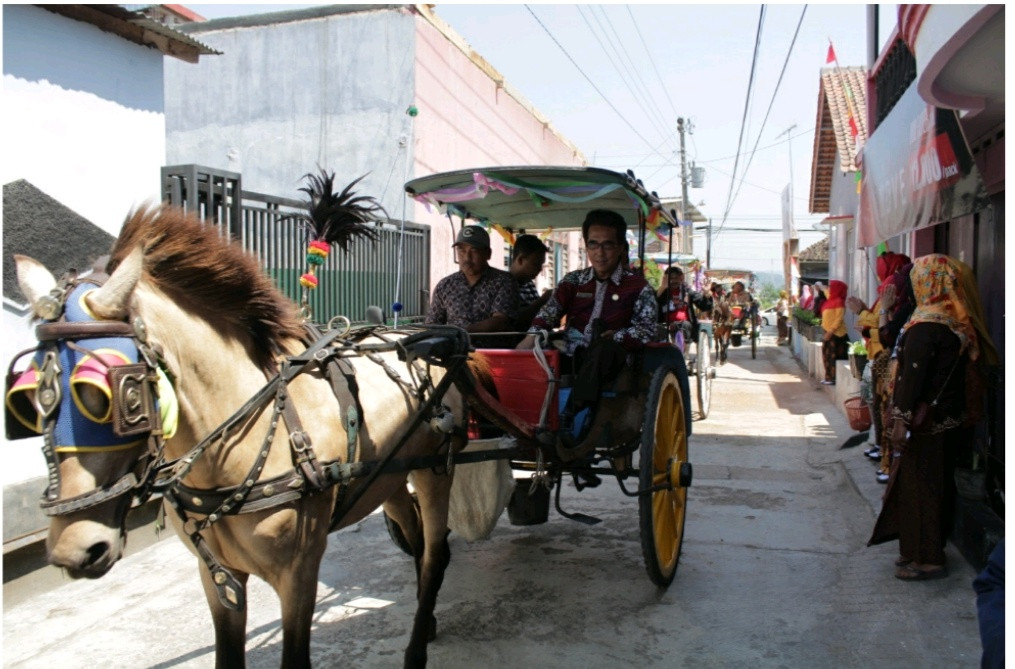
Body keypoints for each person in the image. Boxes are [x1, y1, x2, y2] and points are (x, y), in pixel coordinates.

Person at [868, 254, 997, 581]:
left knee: (921, 488)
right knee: (934, 486)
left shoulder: (927, 326)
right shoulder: (955, 321)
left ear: (928, 282)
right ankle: (917, 549)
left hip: (923, 423)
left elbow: (913, 379)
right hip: (946, 421)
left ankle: (928, 559)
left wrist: (899, 419)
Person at [517, 208, 656, 443]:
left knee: (604, 348)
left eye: (608, 245)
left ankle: (573, 412)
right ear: (586, 246)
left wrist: (619, 336)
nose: (599, 253)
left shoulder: (638, 287)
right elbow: (549, 313)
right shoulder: (572, 281)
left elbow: (647, 330)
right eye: (593, 245)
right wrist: (531, 338)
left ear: (622, 247)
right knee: (536, 351)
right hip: (573, 353)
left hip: (614, 359)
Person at [846, 251, 911, 482]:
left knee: (885, 408)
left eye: (882, 265)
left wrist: (864, 314)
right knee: (878, 406)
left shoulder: (896, 289)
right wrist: (867, 315)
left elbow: (885, 328)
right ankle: (881, 448)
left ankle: (887, 457)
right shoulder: (891, 289)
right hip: (880, 356)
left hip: (886, 358)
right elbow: (877, 322)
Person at [425, 225, 517, 333]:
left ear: (488, 254)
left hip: (490, 349)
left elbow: (501, 321)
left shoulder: (504, 281)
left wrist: (461, 332)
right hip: (455, 348)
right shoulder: (445, 285)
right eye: (461, 250)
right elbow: (433, 324)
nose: (467, 258)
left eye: (474, 251)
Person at [508, 234, 551, 331]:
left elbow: (539, 315)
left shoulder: (529, 284)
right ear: (520, 260)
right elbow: (514, 320)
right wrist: (542, 301)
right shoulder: (504, 284)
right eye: (536, 264)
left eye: (541, 265)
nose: (540, 269)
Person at [656, 266, 694, 352]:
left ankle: (685, 352)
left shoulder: (686, 290)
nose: (674, 281)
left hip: (683, 323)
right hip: (665, 323)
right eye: (671, 278)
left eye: (676, 278)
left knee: (686, 325)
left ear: (681, 278)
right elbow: (654, 301)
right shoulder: (663, 291)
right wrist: (662, 287)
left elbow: (698, 299)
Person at [819, 279, 848, 385]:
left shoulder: (839, 302)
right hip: (827, 332)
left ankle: (833, 379)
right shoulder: (831, 299)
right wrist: (821, 288)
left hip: (836, 335)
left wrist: (830, 332)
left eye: (831, 287)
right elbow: (826, 292)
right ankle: (828, 377)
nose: (829, 289)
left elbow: (838, 319)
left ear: (837, 289)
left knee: (833, 356)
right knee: (826, 356)